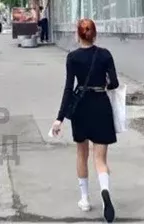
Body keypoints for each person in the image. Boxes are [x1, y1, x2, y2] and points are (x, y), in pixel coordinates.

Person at [50, 19, 118, 222]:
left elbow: (68, 88)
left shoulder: (72, 58)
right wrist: (105, 82)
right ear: (95, 35)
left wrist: (59, 118)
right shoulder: (105, 54)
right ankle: (104, 191)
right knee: (101, 159)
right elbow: (114, 82)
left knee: (82, 154)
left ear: (77, 35)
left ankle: (85, 199)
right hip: (101, 106)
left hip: (81, 109)